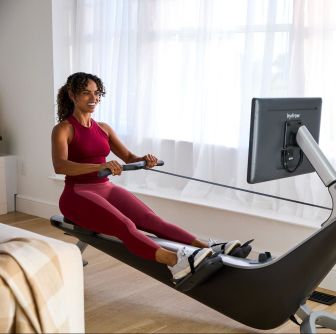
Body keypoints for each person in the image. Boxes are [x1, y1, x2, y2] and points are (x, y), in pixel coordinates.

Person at [52, 72, 246, 282]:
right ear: (72, 95)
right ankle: (176, 263)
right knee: (125, 226)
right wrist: (101, 165)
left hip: (105, 188)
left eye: (97, 94)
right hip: (77, 194)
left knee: (152, 221)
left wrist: (144, 159)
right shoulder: (64, 129)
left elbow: (127, 156)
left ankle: (209, 247)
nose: (93, 99)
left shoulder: (103, 128)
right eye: (86, 93)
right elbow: (60, 165)